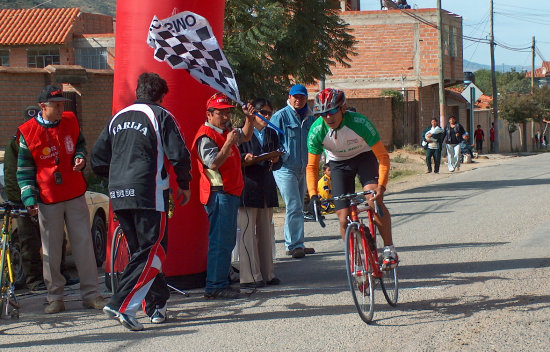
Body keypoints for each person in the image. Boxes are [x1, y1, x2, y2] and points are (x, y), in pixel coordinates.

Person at [91, 73, 192, 331]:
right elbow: (179, 154)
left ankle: (156, 304)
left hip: (118, 192)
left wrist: (117, 177)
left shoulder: (118, 117)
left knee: (142, 254)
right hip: (149, 191)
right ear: (161, 95)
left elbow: (97, 160)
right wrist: (184, 183)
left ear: (138, 91)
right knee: (154, 250)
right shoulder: (160, 115)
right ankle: (121, 304)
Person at [16, 85, 105, 314]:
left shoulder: (70, 120)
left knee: (83, 245)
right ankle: (55, 297)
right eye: (55, 105)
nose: (60, 109)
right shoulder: (28, 132)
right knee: (52, 250)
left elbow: (80, 145)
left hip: (74, 193)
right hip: (48, 198)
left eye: (61, 105)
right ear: (42, 107)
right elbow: (24, 169)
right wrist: (29, 198)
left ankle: (92, 294)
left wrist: (79, 157)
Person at [306, 88, 398, 270]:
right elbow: (311, 167)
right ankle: (356, 264)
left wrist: (382, 186)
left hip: (364, 157)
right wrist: (313, 196)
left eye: (332, 111)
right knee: (342, 218)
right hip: (338, 164)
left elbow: (383, 157)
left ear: (343, 108)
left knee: (373, 199)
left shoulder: (360, 123)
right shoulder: (316, 131)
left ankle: (389, 249)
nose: (328, 117)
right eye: (323, 114)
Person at [192, 92, 255, 299]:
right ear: (209, 114)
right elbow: (213, 163)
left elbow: (245, 136)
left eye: (228, 112)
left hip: (228, 192)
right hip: (218, 194)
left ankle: (219, 282)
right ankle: (215, 285)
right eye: (222, 113)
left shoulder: (224, 130)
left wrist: (249, 119)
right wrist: (228, 143)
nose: (227, 117)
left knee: (226, 241)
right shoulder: (206, 135)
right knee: (220, 241)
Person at [237, 98, 282, 289]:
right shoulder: (240, 132)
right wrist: (244, 158)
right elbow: (234, 156)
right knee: (247, 233)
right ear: (253, 113)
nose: (267, 116)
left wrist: (276, 160)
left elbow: (279, 159)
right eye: (263, 113)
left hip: (266, 185)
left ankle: (267, 273)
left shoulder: (272, 132)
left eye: (269, 113)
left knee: (265, 231)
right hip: (248, 186)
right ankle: (249, 276)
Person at [270, 84, 317, 259]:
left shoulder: (310, 117)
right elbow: (270, 139)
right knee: (294, 205)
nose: (298, 100)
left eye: (302, 97)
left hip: (303, 168)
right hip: (285, 168)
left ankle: (297, 243)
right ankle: (294, 245)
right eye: (295, 97)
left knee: (299, 206)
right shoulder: (280, 116)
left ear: (306, 98)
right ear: (289, 97)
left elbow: (316, 139)